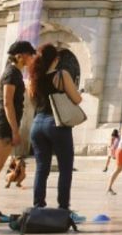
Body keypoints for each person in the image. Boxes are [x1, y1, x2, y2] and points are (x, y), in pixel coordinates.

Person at [0, 41, 36, 224]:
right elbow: (7, 103)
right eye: (29, 54)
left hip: (1, 123)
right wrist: (15, 131)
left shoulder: (10, 72)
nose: (32, 57)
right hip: (4, 124)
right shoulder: (12, 73)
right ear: (20, 55)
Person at [28, 43, 85, 222]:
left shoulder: (34, 78)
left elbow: (32, 101)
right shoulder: (62, 74)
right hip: (57, 123)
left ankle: (38, 206)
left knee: (41, 167)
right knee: (65, 168)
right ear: (56, 59)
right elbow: (77, 98)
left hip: (37, 124)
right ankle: (63, 209)